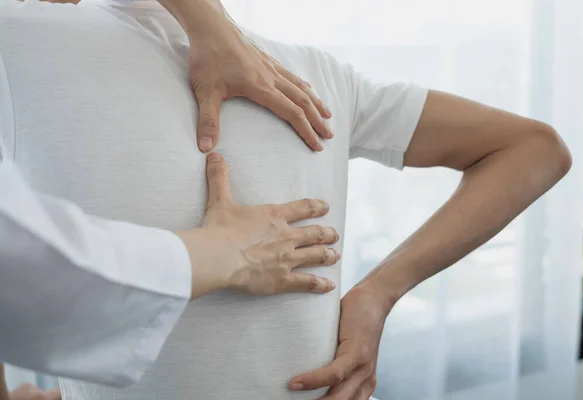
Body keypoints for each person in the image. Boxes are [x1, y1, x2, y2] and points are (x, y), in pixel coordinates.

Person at [0, 1, 572, 400]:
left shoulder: (307, 75)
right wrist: (381, 290)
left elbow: (535, 148)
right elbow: (535, 149)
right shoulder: (308, 75)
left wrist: (375, 295)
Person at [0, 0, 340, 393]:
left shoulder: (308, 67)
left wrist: (377, 296)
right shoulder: (19, 39)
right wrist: (229, 252)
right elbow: (29, 274)